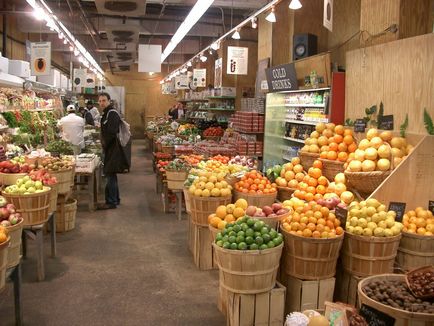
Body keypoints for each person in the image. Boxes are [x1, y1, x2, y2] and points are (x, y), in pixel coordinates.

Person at [97, 92, 129, 210]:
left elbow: (112, 132)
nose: (102, 103)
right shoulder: (106, 113)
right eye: (100, 101)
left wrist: (104, 145)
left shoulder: (112, 113)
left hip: (112, 148)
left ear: (109, 101)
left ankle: (111, 202)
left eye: (104, 100)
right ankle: (116, 199)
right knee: (111, 174)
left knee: (110, 174)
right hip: (110, 147)